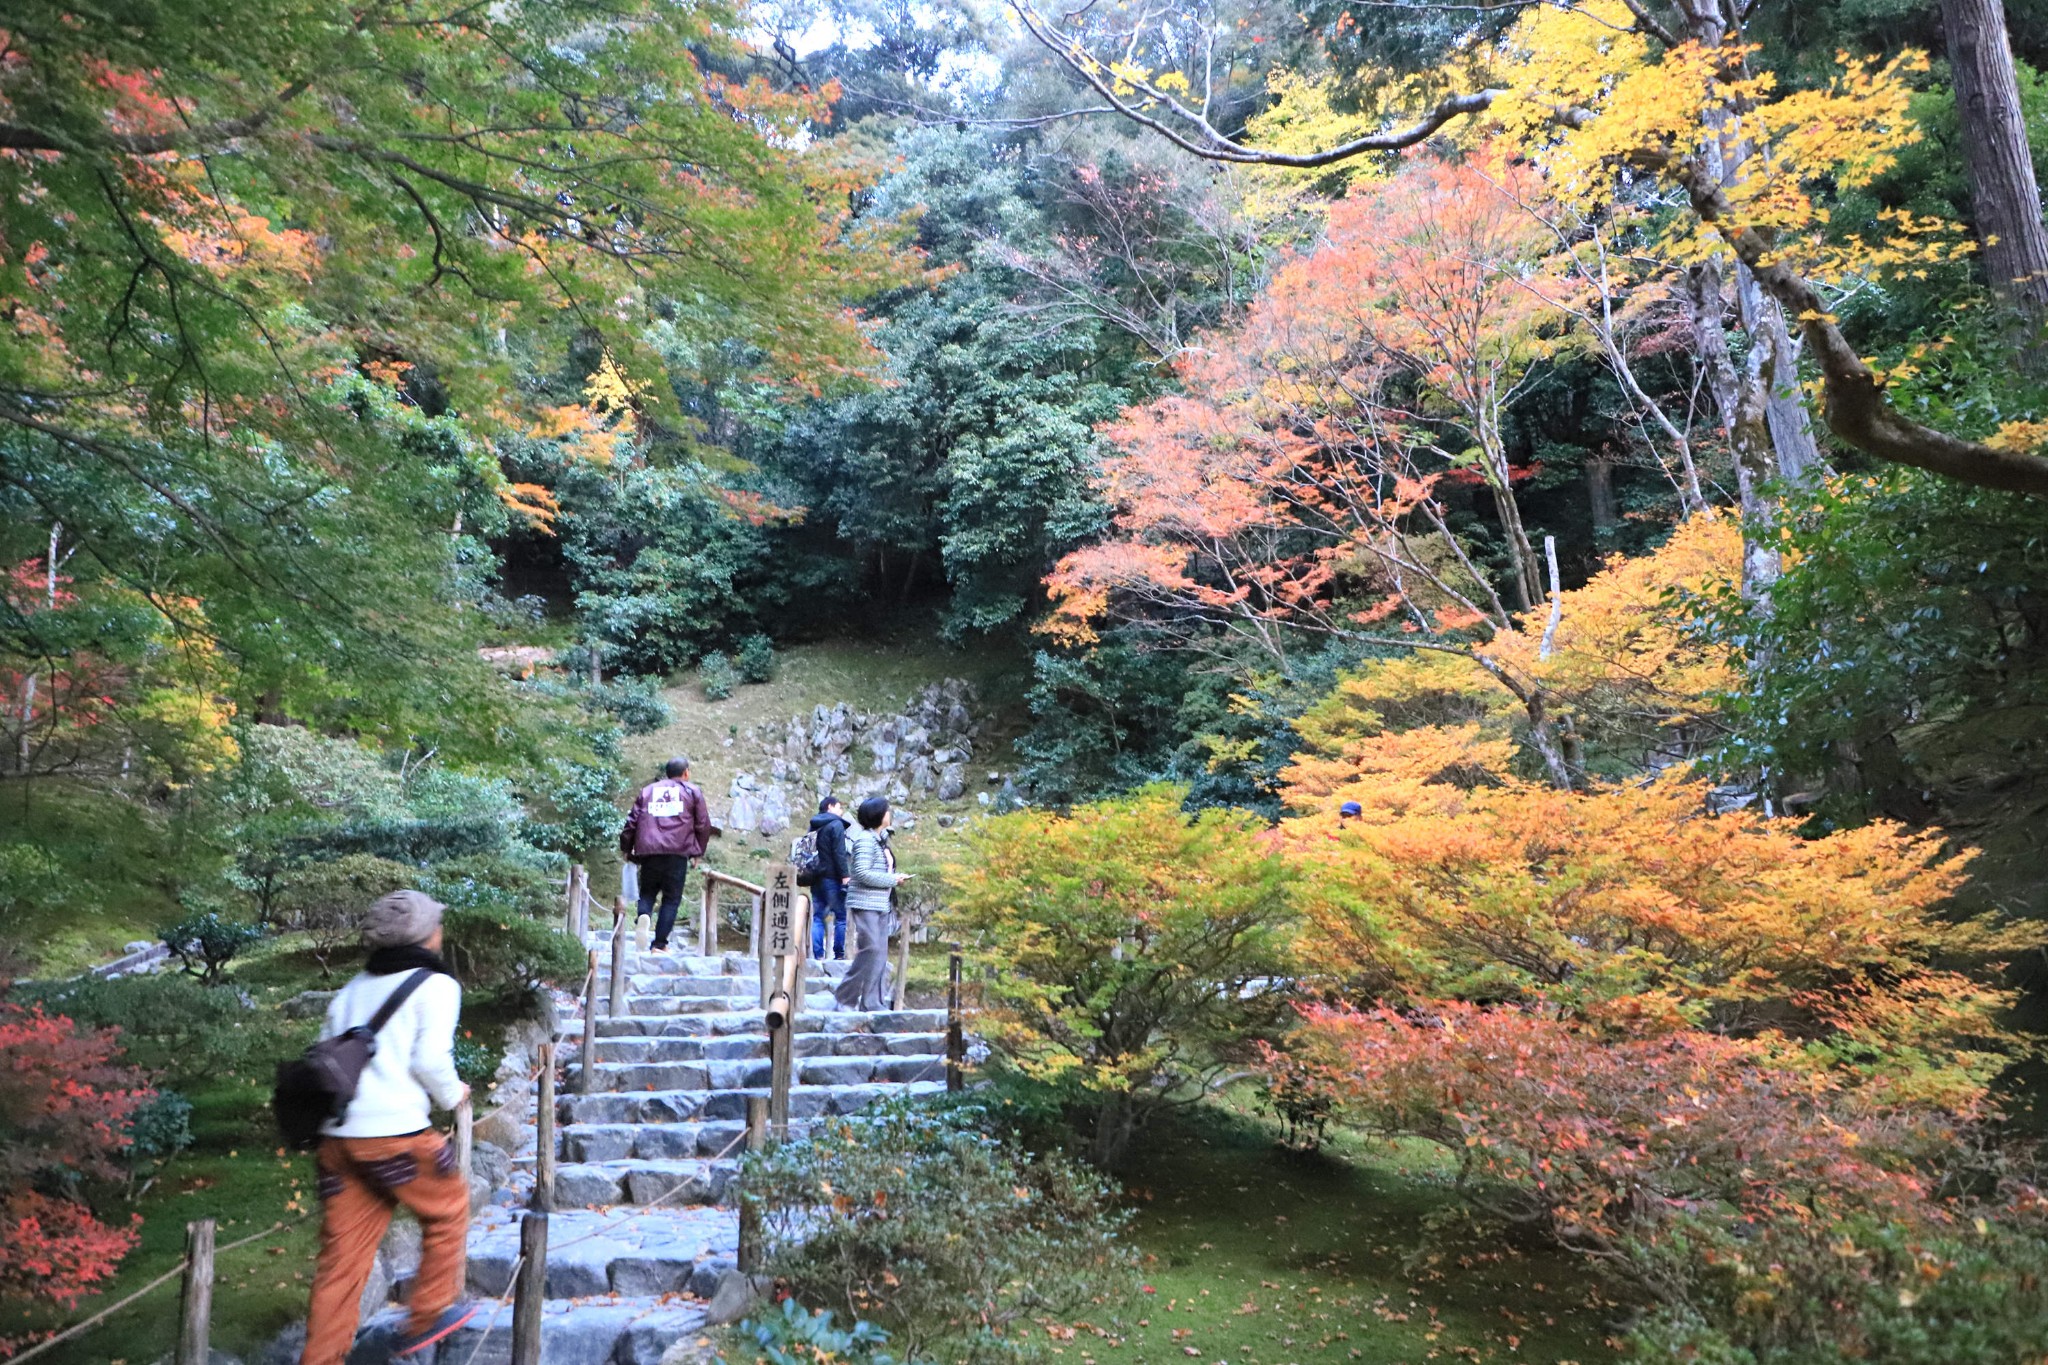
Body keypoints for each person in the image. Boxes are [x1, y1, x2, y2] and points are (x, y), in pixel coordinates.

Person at [302, 890, 474, 1364]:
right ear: (427, 936)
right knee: (448, 1207)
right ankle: (428, 1314)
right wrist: (453, 1093)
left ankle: (320, 1359)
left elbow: (325, 1059)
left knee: (342, 1263)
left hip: (338, 1141)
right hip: (394, 1137)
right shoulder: (436, 987)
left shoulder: (352, 989)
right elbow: (429, 1059)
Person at [622, 756, 713, 954]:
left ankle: (644, 915)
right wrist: (698, 852)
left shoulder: (648, 791)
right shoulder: (693, 791)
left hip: (649, 853)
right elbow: (703, 824)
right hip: (677, 853)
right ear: (686, 772)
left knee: (647, 892)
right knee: (671, 899)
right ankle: (659, 944)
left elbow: (632, 822)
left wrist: (627, 848)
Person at [834, 795, 910, 1011]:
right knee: (870, 949)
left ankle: (872, 1002)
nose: (890, 814)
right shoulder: (865, 840)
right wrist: (892, 880)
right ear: (878, 814)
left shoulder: (879, 839)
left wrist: (895, 877)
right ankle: (844, 997)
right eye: (887, 810)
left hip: (881, 904)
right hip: (866, 903)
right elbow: (861, 872)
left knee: (880, 954)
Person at [808, 796, 851, 961]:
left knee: (817, 917)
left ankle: (817, 955)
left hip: (815, 877)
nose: (841, 812)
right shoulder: (836, 825)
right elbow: (839, 853)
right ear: (830, 807)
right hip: (832, 878)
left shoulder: (813, 825)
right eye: (839, 807)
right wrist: (845, 876)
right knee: (840, 916)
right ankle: (838, 954)